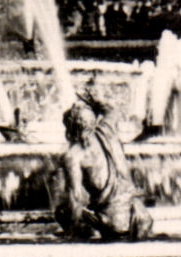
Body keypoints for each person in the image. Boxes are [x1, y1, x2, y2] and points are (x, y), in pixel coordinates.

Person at [56, 95, 152, 241]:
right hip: (140, 218)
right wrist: (94, 101)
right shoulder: (107, 132)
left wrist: (71, 233)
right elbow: (112, 110)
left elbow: (75, 198)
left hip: (113, 223)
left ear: (69, 128)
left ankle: (86, 237)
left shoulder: (74, 155)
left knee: (62, 211)